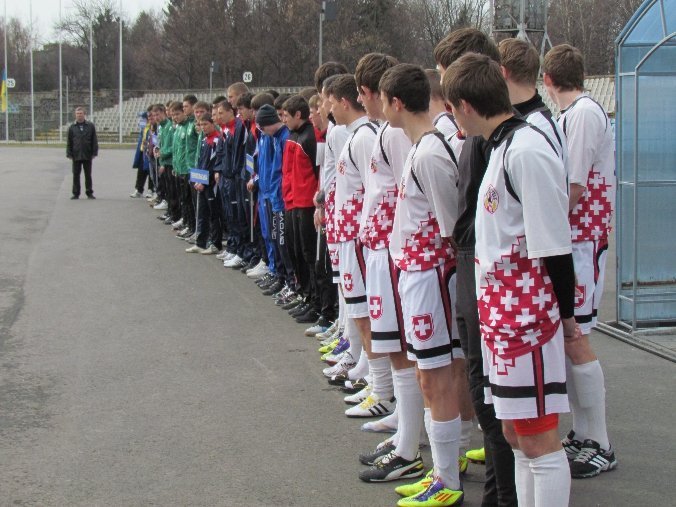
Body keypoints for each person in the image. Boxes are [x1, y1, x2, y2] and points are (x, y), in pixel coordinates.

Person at [446, 52, 577, 507]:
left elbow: (555, 245)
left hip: (527, 319)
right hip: (500, 318)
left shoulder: (527, 150)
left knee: (538, 439)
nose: (453, 117)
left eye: (452, 107)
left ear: (465, 105)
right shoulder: (502, 147)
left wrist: (566, 317)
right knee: (514, 434)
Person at [437, 28, 518, 507]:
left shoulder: (505, 137)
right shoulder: (478, 136)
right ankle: (499, 488)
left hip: (486, 268)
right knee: (482, 386)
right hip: (470, 261)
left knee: (493, 393)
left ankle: (503, 494)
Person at [379, 63, 463, 507]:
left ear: (396, 103)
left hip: (431, 276)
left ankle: (448, 482)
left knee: (435, 377)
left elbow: (452, 226)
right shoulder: (419, 148)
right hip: (416, 273)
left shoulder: (430, 153)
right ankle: (442, 472)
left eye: (383, 100)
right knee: (428, 376)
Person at [543, 43, 617, 479]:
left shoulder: (585, 114)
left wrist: (547, 222)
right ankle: (585, 432)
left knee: (576, 335)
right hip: (573, 238)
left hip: (582, 239)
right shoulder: (571, 115)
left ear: (548, 80)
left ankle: (599, 441)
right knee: (569, 336)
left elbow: (575, 184)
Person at [67, 106, 98, 200]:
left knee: (88, 175)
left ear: (84, 114)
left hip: (87, 154)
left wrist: (94, 152)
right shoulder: (72, 127)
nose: (79, 115)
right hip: (76, 155)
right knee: (76, 175)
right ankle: (76, 193)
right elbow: (69, 141)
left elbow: (94, 140)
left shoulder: (90, 126)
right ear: (75, 115)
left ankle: (89, 192)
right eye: (77, 114)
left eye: (81, 113)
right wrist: (69, 153)